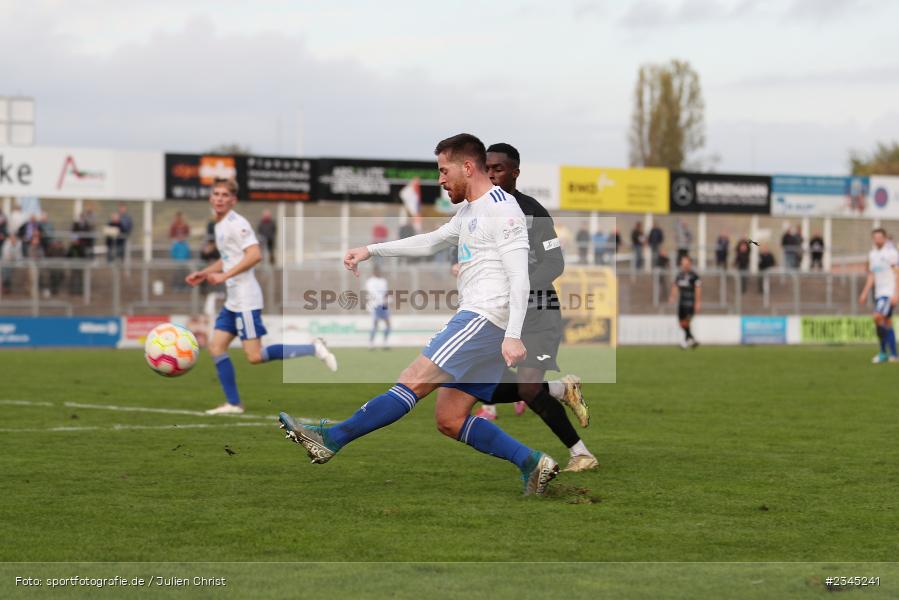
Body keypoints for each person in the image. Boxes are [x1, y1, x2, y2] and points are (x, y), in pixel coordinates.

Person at [278, 134, 561, 495]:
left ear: (468, 167)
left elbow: (521, 276)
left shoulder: (502, 210)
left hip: (484, 318)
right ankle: (532, 462)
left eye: (444, 171)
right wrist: (370, 250)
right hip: (485, 322)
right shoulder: (472, 210)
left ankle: (330, 438)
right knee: (450, 418)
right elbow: (431, 240)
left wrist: (512, 334)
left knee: (412, 378)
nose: (440, 180)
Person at [479, 142, 596, 472]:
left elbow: (555, 262)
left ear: (515, 173)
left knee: (529, 388)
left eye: (498, 169)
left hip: (538, 313)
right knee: (486, 389)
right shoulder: (479, 211)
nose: (491, 175)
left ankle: (581, 454)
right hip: (498, 315)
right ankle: (561, 389)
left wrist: (522, 284)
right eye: (487, 169)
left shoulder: (534, 212)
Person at [185, 178, 338, 415]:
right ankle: (234, 404)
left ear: (233, 200)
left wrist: (224, 277)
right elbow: (228, 258)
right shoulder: (219, 225)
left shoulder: (238, 224)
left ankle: (312, 348)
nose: (219, 198)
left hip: (246, 299)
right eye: (216, 194)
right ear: (211, 198)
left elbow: (255, 255)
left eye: (225, 195)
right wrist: (205, 273)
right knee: (216, 347)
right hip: (233, 301)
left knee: (254, 356)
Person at [858, 228, 899, 364]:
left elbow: (897, 273)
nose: (877, 240)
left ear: (885, 238)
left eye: (880, 237)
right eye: (875, 238)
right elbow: (872, 275)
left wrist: (896, 293)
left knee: (877, 317)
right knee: (887, 322)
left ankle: (883, 353)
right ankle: (893, 355)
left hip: (888, 293)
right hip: (878, 293)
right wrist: (864, 292)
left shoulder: (891, 253)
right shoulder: (872, 255)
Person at [669, 255, 701, 349]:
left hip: (690, 302)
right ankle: (691, 339)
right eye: (682, 263)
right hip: (681, 303)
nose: (684, 264)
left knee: (686, 322)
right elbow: (675, 286)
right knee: (681, 323)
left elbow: (698, 289)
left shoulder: (694, 276)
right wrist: (672, 296)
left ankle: (686, 341)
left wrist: (698, 302)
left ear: (689, 263)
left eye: (685, 262)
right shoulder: (680, 275)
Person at [365, 265, 391, 349]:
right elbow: (372, 293)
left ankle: (385, 342)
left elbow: (385, 292)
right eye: (377, 271)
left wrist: (388, 300)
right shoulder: (370, 281)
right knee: (375, 324)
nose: (378, 273)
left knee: (388, 323)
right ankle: (371, 343)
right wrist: (380, 299)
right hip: (375, 305)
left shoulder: (383, 281)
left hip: (383, 305)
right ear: (374, 272)